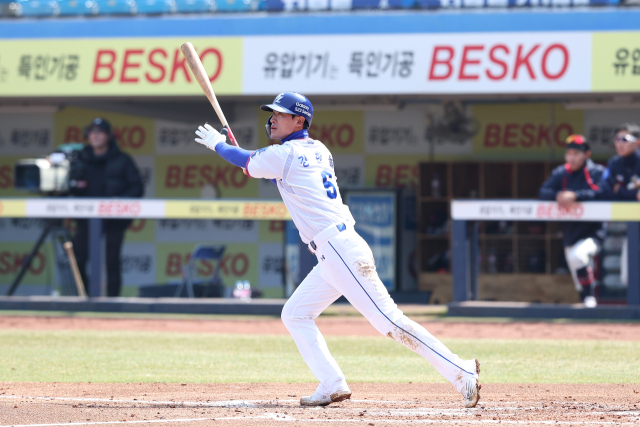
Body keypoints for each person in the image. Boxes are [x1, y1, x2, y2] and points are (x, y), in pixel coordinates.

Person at [194, 92, 481, 408]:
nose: (272, 118)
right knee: (295, 313)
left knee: (389, 321)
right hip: (334, 251)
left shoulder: (286, 154)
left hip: (339, 249)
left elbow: (249, 162)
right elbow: (256, 163)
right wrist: (242, 156)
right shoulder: (316, 148)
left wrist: (217, 145)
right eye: (272, 113)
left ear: (299, 120)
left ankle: (461, 371)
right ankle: (332, 383)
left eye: (280, 113)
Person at [71, 118, 144, 297]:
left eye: (99, 132)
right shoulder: (80, 158)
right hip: (85, 219)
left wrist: (118, 201)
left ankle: (112, 304)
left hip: (114, 219)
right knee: (77, 258)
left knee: (112, 261)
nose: (94, 136)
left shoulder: (122, 159)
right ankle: (85, 298)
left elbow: (137, 187)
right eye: (92, 132)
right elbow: (70, 186)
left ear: (108, 136)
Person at [539, 135, 605, 307]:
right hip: (570, 232)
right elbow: (543, 191)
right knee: (578, 277)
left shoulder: (596, 171)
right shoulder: (561, 172)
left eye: (577, 153)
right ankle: (588, 311)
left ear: (587, 154)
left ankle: (590, 300)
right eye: (569, 153)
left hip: (593, 231)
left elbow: (600, 192)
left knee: (578, 256)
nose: (572, 157)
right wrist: (558, 196)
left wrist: (575, 196)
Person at [600, 123, 640, 287]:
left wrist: (620, 189)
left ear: (637, 142)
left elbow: (617, 190)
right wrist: (630, 193)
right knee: (627, 277)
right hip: (628, 227)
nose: (619, 143)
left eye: (625, 139)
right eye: (617, 139)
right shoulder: (614, 163)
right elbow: (605, 190)